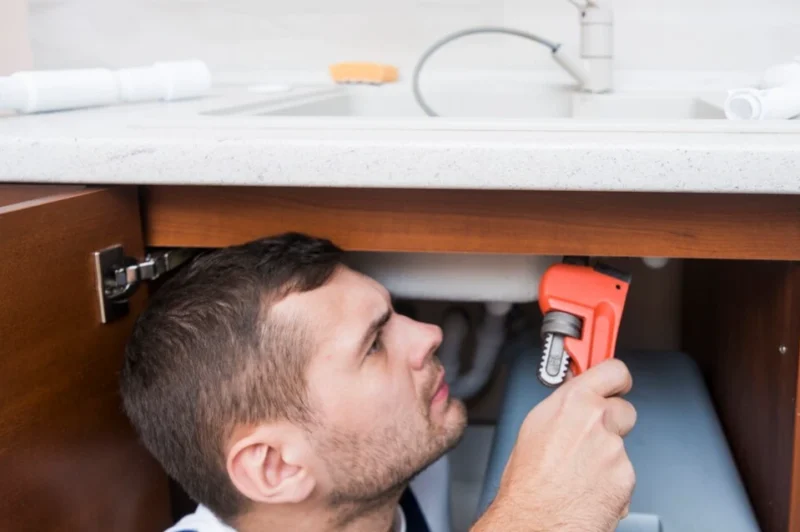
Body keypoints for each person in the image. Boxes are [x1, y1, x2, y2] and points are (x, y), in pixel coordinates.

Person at [120, 232, 637, 532]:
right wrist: (537, 518)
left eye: (394, 316)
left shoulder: (403, 473)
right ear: (275, 466)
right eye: (373, 345)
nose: (429, 335)